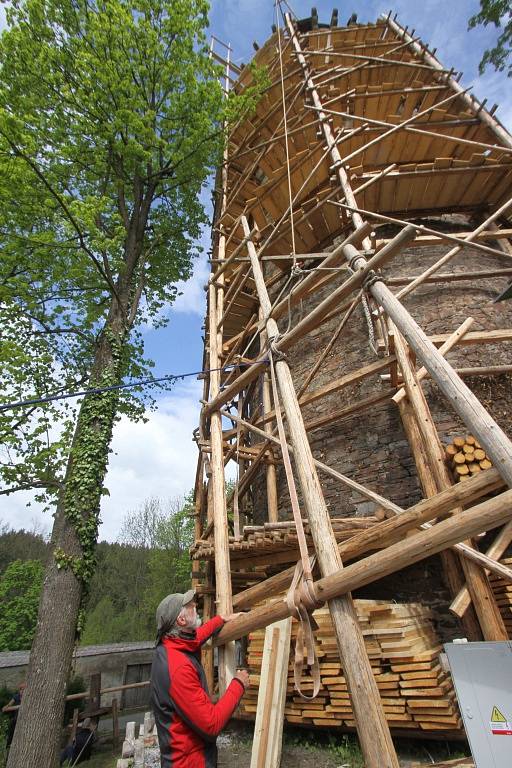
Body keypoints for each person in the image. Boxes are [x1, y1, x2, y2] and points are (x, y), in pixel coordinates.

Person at [151, 589, 249, 768]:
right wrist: (238, 684)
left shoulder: (170, 645)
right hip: (190, 763)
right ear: (181, 620)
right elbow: (211, 725)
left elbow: (195, 638)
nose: (195, 606)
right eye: (189, 606)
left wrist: (222, 620)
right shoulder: (179, 669)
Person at [2, 681, 25, 749]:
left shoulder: (29, 698)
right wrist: (18, 706)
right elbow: (4, 709)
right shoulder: (16, 697)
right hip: (16, 720)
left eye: (24, 689)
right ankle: (9, 746)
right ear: (19, 690)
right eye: (21, 689)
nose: (22, 691)